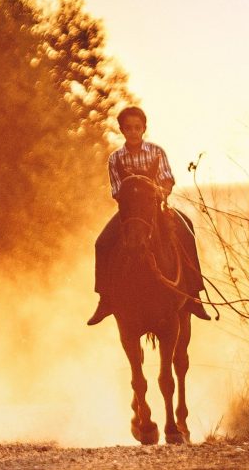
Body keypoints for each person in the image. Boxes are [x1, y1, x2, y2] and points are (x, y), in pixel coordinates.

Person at [87, 105, 211, 325]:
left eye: (137, 127)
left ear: (143, 128)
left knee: (187, 229)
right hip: (130, 214)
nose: (133, 132)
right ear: (122, 130)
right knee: (102, 243)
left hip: (156, 209)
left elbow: (167, 179)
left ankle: (194, 293)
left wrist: (158, 192)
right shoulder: (115, 159)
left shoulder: (156, 152)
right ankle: (105, 299)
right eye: (128, 128)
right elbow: (116, 190)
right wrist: (133, 195)